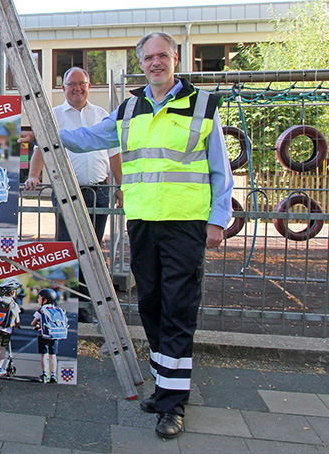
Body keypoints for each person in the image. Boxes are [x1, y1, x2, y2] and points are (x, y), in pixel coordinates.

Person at [43, 32, 233, 439]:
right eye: (148, 58)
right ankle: (166, 387)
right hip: (144, 223)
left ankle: (172, 404)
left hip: (186, 225)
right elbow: (92, 137)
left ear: (175, 57)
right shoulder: (131, 107)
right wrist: (47, 135)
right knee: (151, 305)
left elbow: (221, 168)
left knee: (178, 310)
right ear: (140, 62)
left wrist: (218, 219)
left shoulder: (202, 105)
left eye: (162, 55)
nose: (155, 63)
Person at [24, 67, 122, 322]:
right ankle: (68, 308)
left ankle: (87, 307)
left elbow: (114, 155)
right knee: (68, 250)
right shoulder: (53, 116)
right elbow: (39, 150)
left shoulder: (102, 115)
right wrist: (33, 176)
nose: (77, 88)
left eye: (82, 83)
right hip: (67, 191)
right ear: (64, 87)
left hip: (99, 191)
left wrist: (121, 186)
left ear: (89, 86)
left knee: (94, 250)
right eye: (72, 84)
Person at [30, 288, 69, 384]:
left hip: (44, 336)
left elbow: (33, 323)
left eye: (39, 298)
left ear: (45, 300)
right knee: (53, 355)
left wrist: (37, 325)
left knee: (44, 355)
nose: (38, 300)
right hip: (55, 335)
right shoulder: (58, 310)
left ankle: (44, 374)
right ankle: (53, 374)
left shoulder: (41, 310)